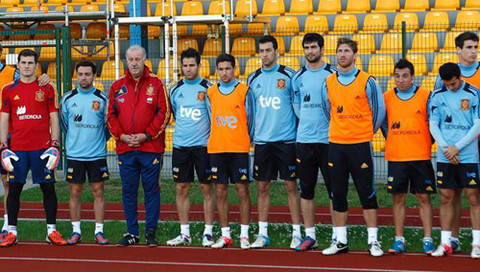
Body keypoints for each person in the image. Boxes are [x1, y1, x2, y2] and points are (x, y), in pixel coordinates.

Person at [320, 38, 386, 257]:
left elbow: (378, 112)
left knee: (367, 193)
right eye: (339, 51)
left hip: (360, 145)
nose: (342, 54)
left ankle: (373, 241)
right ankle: (340, 241)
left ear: (355, 55)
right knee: (337, 193)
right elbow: (327, 109)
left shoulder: (367, 81)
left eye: (347, 51)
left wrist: (364, 132)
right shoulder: (328, 81)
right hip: (337, 145)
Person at [0, 49, 66, 247]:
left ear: (36, 66)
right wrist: (3, 146)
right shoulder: (8, 89)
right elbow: (4, 118)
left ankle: (51, 231)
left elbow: (54, 117)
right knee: (14, 189)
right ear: (18, 65)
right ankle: (12, 232)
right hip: (18, 148)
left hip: (42, 148)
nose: (27, 66)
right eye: (24, 63)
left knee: (48, 188)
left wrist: (55, 144)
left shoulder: (47, 88)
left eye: (31, 63)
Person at [107, 45, 170, 247]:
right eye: (130, 59)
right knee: (129, 191)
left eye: (138, 59)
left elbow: (164, 113)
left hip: (150, 149)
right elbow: (110, 116)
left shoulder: (157, 84)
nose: (134, 63)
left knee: (152, 190)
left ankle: (151, 232)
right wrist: (123, 136)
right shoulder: (117, 86)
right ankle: (132, 232)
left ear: (145, 60)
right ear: (126, 60)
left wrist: (146, 135)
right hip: (126, 149)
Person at [246, 35, 301, 250]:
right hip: (262, 142)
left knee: (290, 186)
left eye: (269, 50)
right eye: (261, 51)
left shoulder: (289, 76)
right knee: (262, 187)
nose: (265, 55)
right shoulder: (252, 78)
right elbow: (251, 111)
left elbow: (297, 108)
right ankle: (262, 233)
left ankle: (297, 232)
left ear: (276, 51)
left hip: (286, 141)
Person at [381, 59, 436, 255]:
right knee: (398, 198)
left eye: (405, 76)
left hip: (420, 155)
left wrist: (425, 141)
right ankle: (399, 240)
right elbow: (383, 123)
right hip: (397, 156)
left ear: (413, 77)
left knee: (423, 197)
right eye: (397, 76)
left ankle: (428, 239)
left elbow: (433, 123)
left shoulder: (426, 95)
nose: (401, 80)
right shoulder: (387, 97)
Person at [291, 33, 337, 251]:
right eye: (307, 47)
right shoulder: (298, 76)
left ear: (322, 49)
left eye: (314, 47)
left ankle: (338, 235)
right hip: (305, 140)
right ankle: (310, 236)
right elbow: (296, 101)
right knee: (306, 190)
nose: (310, 51)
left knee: (333, 190)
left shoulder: (333, 75)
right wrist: (305, 119)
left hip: (328, 141)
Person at [434, 32, 479, 252]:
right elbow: (436, 115)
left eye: (475, 47)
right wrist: (449, 148)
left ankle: (476, 240)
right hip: (452, 146)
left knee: (474, 194)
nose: (474, 51)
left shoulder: (474, 88)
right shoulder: (441, 82)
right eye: (469, 47)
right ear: (458, 50)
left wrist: (458, 146)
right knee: (452, 193)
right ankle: (452, 238)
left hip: (470, 144)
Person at [166, 48, 215, 247]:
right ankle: (184, 232)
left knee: (206, 188)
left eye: (192, 65)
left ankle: (208, 232)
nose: (188, 69)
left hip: (203, 147)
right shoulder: (174, 89)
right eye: (184, 65)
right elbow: (176, 114)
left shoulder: (209, 88)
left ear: (199, 65)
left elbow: (212, 118)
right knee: (182, 188)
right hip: (181, 146)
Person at [60, 60, 110, 245]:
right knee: (75, 192)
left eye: (87, 74)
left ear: (94, 76)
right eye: (80, 74)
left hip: (96, 154)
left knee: (98, 191)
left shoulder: (103, 99)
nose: (83, 78)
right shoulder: (67, 99)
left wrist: (97, 140)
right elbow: (65, 125)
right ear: (76, 75)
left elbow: (108, 127)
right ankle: (76, 230)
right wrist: (75, 139)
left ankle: (99, 231)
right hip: (75, 154)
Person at [207, 53, 254, 249]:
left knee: (242, 190)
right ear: (216, 70)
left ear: (234, 69)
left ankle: (244, 234)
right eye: (221, 69)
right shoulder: (211, 92)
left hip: (239, 148)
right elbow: (211, 118)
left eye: (228, 68)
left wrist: (244, 139)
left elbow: (251, 119)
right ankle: (225, 234)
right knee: (220, 191)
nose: (224, 73)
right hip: (217, 148)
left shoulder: (244, 90)